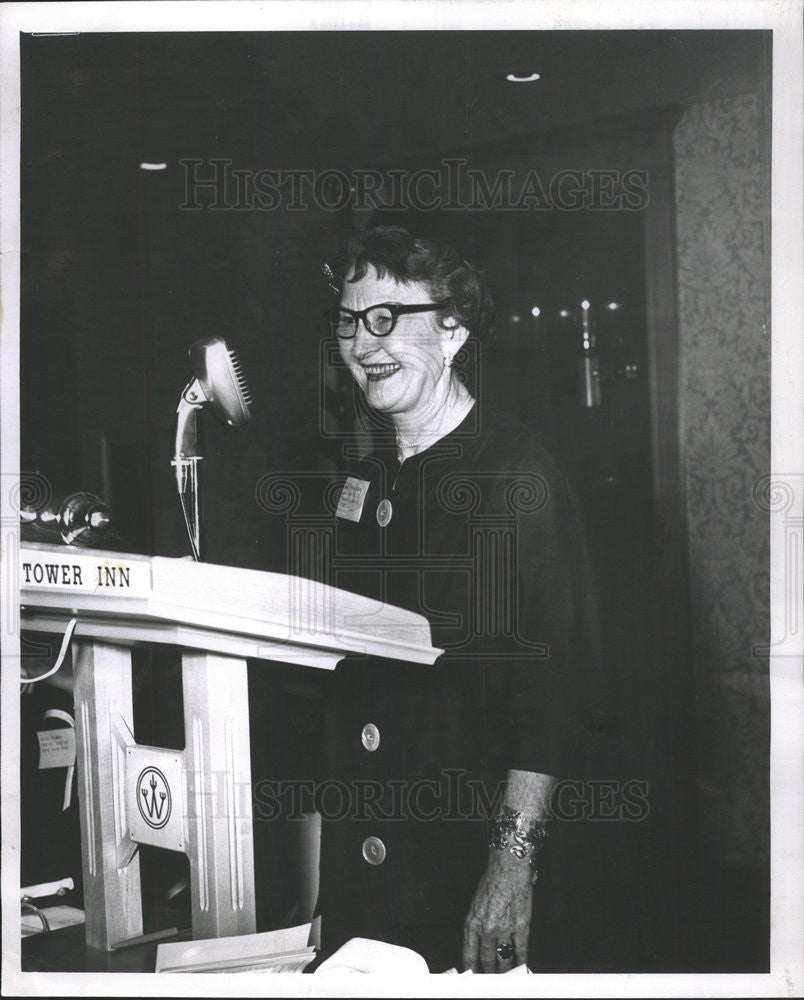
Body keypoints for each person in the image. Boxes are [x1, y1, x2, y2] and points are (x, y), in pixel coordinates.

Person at [315, 225, 599, 973]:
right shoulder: (364, 474)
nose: (362, 342)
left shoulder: (515, 477)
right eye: (349, 321)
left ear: (453, 329)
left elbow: (555, 701)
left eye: (385, 318)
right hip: (368, 864)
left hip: (466, 863)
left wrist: (511, 868)